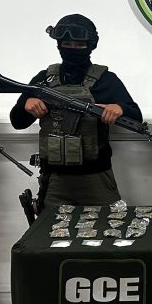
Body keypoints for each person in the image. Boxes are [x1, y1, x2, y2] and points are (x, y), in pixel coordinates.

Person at [10, 14, 142, 208]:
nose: (72, 49)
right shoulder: (43, 79)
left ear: (90, 45)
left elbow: (136, 118)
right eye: (66, 44)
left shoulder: (106, 80)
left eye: (79, 45)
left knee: (106, 226)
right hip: (54, 179)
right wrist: (27, 104)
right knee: (50, 227)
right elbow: (17, 121)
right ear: (58, 45)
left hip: (96, 178)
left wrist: (120, 108)